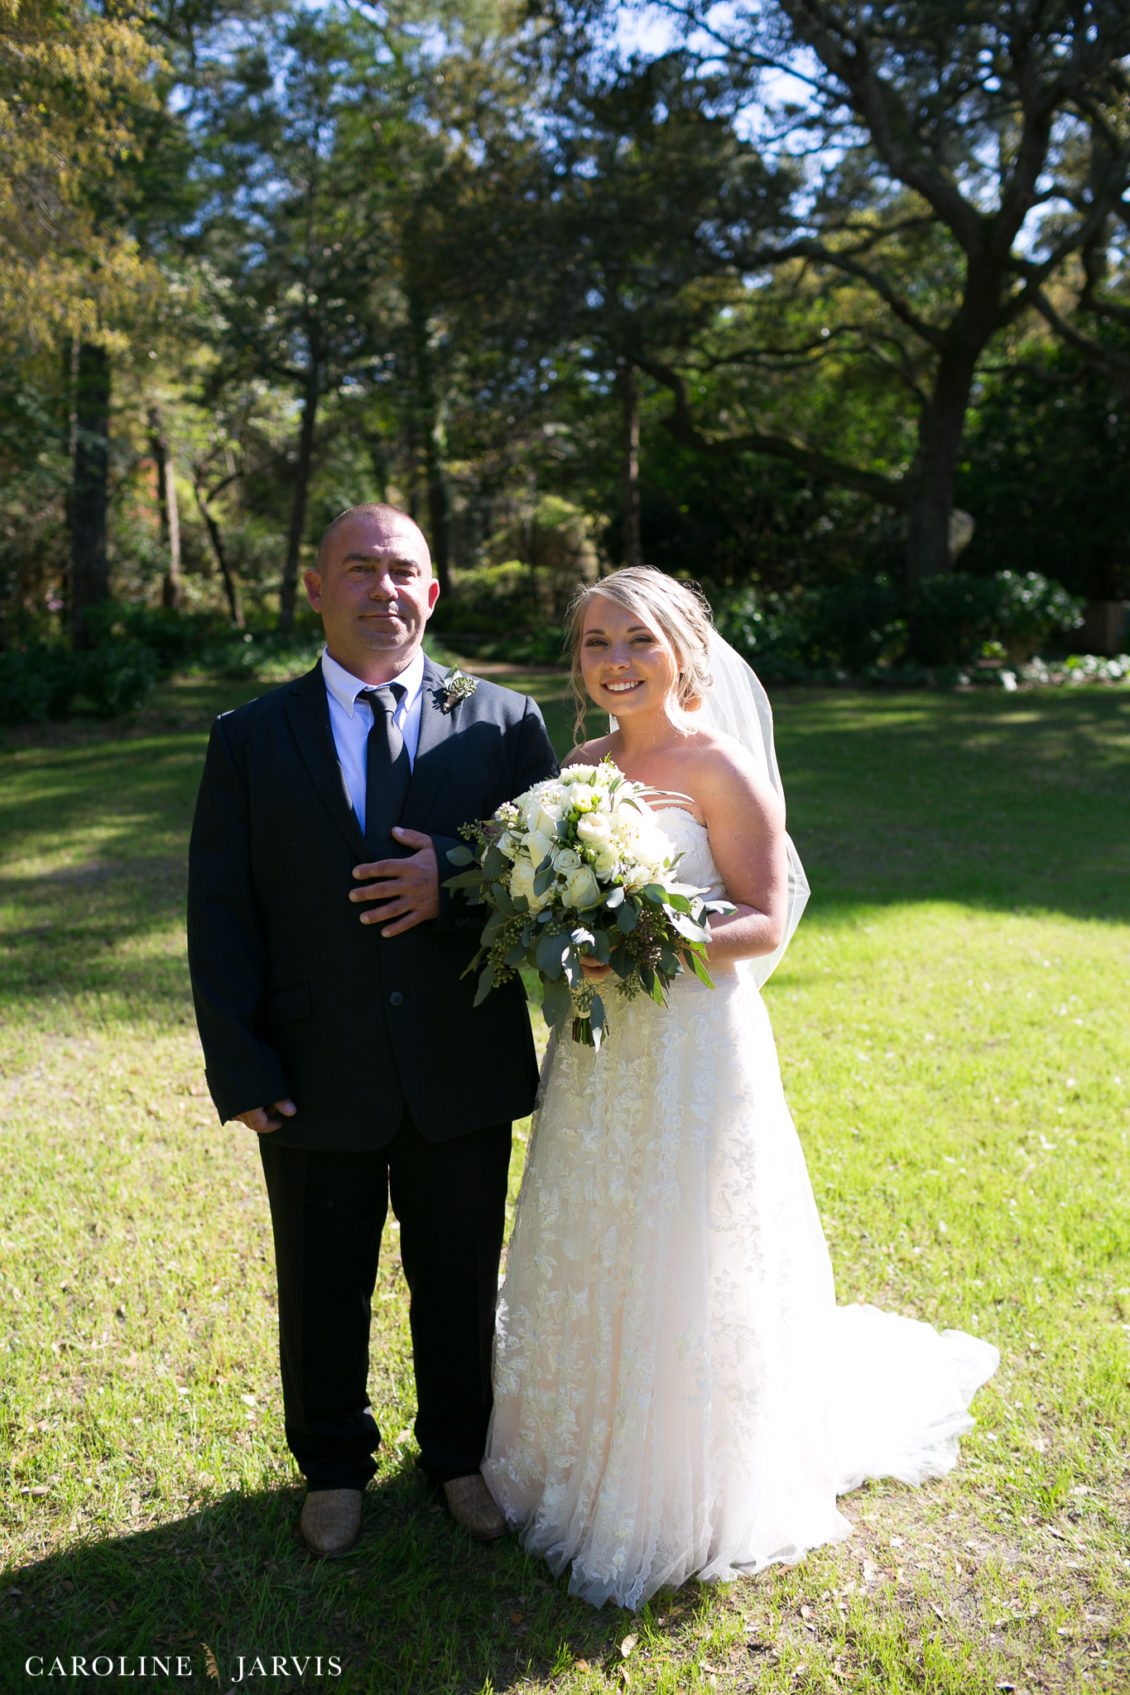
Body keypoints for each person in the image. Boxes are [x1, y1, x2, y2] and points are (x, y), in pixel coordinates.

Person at [482, 566, 998, 1610]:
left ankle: (684, 1481)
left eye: (636, 640)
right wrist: (559, 939)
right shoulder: (574, 775)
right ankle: (563, 1452)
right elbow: (544, 909)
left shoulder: (717, 767)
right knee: (591, 1226)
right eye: (594, 643)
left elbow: (767, 917)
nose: (615, 662)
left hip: (691, 1043)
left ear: (682, 651)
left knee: (686, 1241)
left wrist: (644, 943)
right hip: (597, 1053)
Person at [187, 502, 557, 1558]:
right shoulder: (249, 738)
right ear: (315, 587)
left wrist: (454, 882)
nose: (382, 588)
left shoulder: (502, 721)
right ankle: (334, 1467)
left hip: (459, 1062)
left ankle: (456, 1455)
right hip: (313, 1066)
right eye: (358, 568)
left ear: (431, 593)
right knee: (320, 1278)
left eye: (403, 571)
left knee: (454, 1272)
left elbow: (545, 895)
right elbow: (219, 916)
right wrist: (241, 1063)